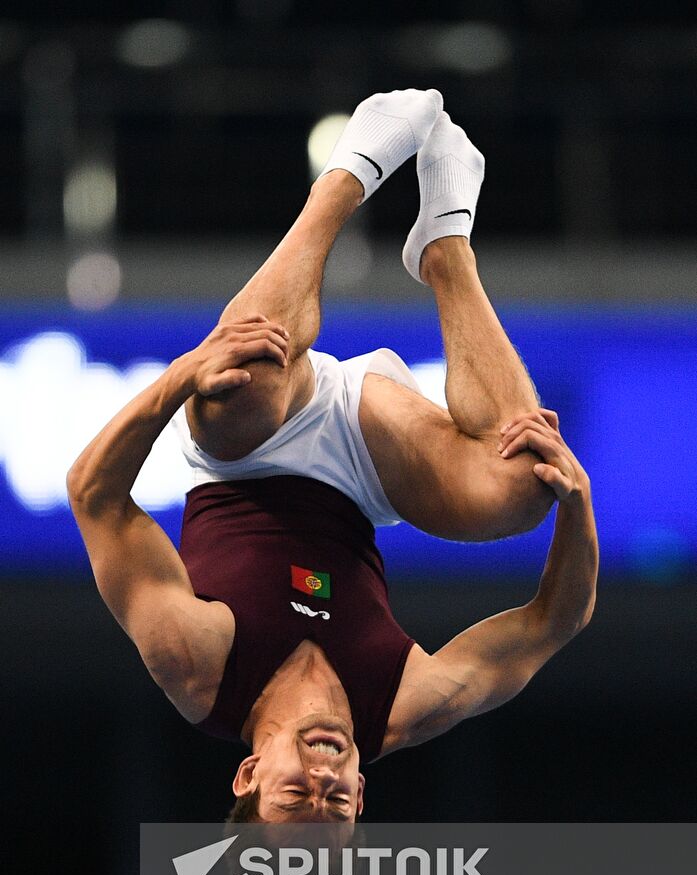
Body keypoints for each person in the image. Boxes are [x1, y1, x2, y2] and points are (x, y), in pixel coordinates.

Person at [66, 90, 598, 827]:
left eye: (296, 793)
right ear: (363, 795)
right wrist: (577, 505)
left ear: (248, 773)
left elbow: (95, 496)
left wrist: (182, 376)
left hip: (250, 449)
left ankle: (345, 179)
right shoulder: (402, 707)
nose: (324, 772)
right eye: (338, 798)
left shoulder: (197, 668)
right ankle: (445, 243)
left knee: (240, 385)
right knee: (522, 486)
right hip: (373, 462)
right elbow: (552, 622)